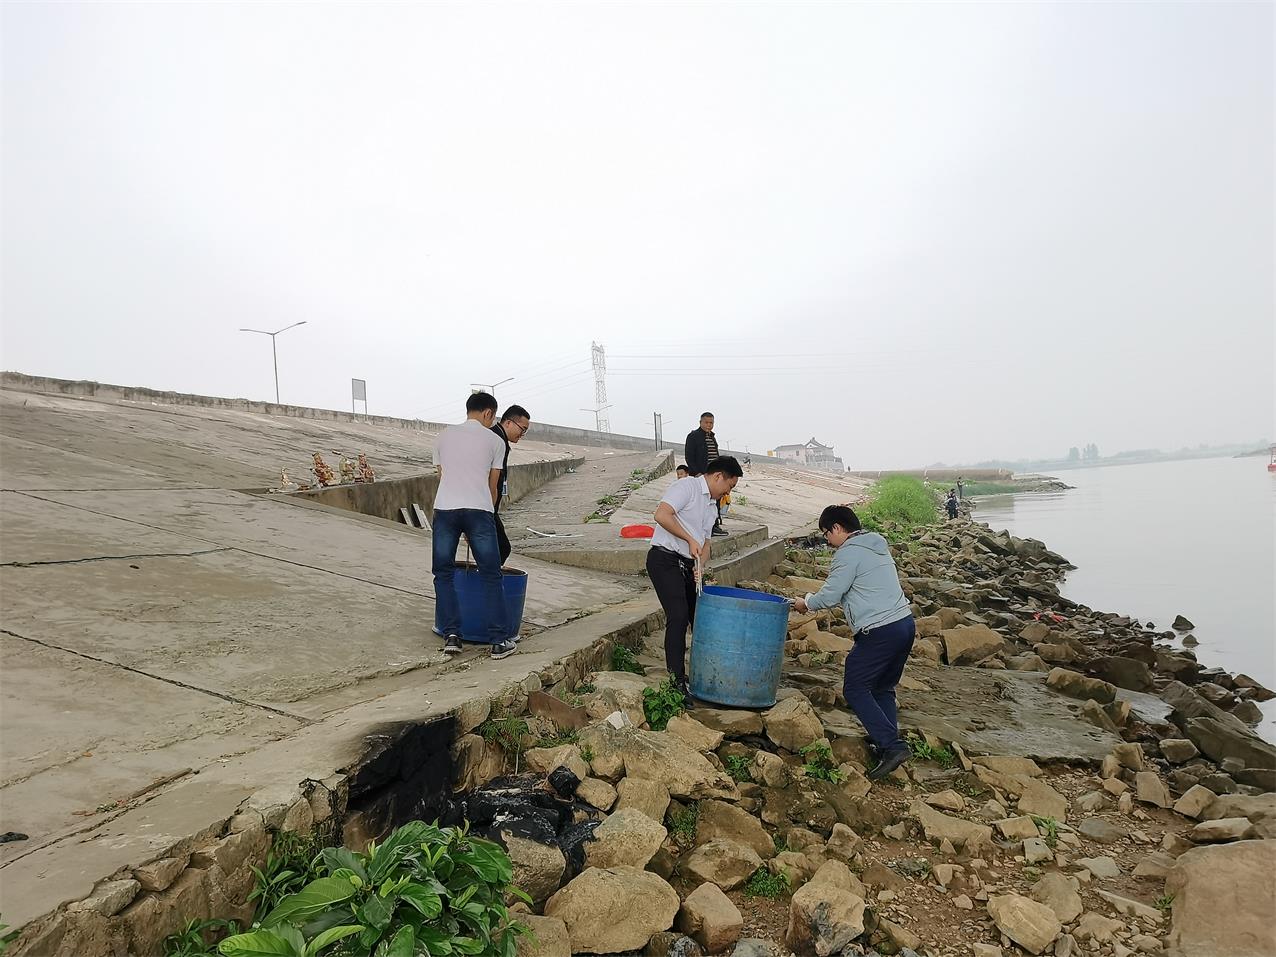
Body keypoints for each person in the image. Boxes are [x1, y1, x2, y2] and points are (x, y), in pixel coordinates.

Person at [792, 504, 916, 780]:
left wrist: (806, 602)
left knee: (855, 688)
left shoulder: (848, 553)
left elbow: (831, 594)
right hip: (905, 624)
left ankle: (893, 747)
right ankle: (886, 739)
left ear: (837, 528)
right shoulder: (875, 545)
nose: (826, 541)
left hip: (880, 630)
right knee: (882, 687)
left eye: (826, 534)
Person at [647, 456, 743, 698]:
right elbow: (661, 515)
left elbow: (706, 543)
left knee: (699, 619)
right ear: (718, 476)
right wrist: (689, 539)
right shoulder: (686, 487)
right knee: (678, 617)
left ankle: (702, 676)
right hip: (664, 559)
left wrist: (701, 564)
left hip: (687, 565)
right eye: (729, 487)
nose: (727, 492)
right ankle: (676, 683)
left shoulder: (712, 505)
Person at [432, 391, 517, 660]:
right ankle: (499, 640)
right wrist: (483, 518)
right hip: (479, 509)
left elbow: (442, 475)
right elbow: (493, 487)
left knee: (443, 573)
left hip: (445, 508)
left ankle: (452, 636)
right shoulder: (494, 441)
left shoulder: (443, 435)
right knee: (491, 574)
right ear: (488, 413)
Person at [491, 404, 531, 563]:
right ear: (508, 422)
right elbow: (490, 478)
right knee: (501, 548)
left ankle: (486, 579)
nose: (523, 434)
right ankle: (487, 582)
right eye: (522, 429)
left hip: (486, 507)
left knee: (496, 549)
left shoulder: (499, 439)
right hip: (484, 507)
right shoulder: (495, 440)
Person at [685, 412, 727, 536]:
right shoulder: (693, 436)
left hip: (715, 475)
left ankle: (715, 525)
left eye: (711, 423)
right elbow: (689, 457)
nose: (709, 425)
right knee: (704, 502)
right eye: (706, 422)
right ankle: (708, 527)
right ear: (700, 422)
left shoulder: (712, 437)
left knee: (716, 500)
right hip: (702, 475)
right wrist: (697, 473)